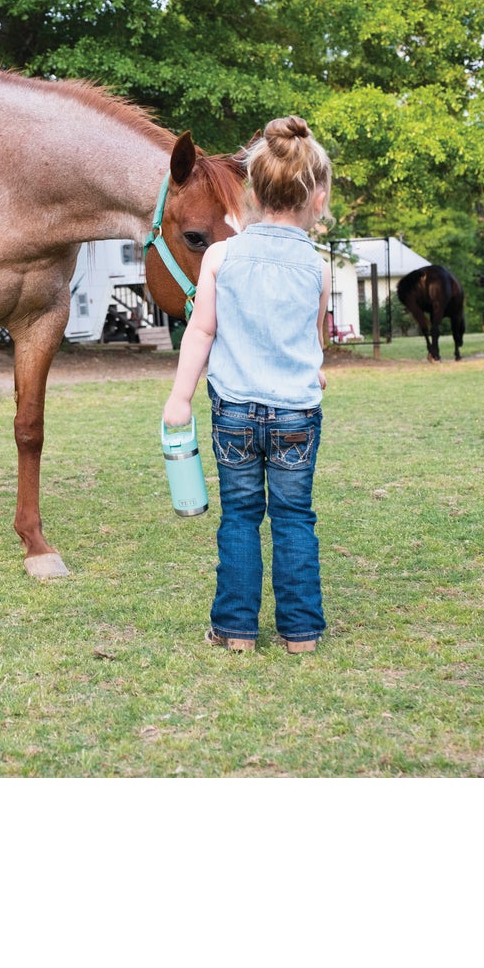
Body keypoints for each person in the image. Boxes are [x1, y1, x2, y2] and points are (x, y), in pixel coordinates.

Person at [162, 115, 333, 654]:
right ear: (319, 198)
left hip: (234, 411)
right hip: (297, 415)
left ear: (251, 192)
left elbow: (202, 331)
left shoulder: (219, 255)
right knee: (293, 518)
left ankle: (235, 630)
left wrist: (179, 397)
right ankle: (301, 632)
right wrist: (313, 366)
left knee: (240, 517)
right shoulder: (317, 265)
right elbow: (312, 334)